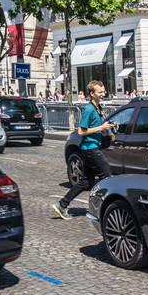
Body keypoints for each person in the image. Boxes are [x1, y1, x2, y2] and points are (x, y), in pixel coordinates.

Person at [52, 81, 115, 220]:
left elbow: (97, 126)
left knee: (86, 181)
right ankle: (106, 210)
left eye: (104, 91)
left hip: (92, 147)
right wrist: (101, 128)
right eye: (100, 92)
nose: (103, 94)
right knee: (107, 176)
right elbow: (81, 131)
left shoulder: (97, 107)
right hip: (90, 149)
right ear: (92, 94)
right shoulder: (89, 109)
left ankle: (62, 204)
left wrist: (110, 126)